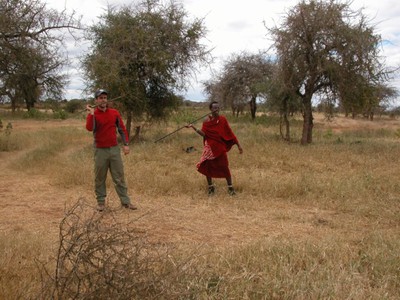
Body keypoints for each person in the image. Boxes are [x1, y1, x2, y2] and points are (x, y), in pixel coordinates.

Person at [86, 89, 137, 211]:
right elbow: (90, 128)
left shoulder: (114, 113)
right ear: (96, 100)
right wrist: (91, 113)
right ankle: (101, 203)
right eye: (100, 98)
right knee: (100, 177)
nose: (103, 100)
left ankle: (125, 202)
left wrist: (125, 144)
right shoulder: (94, 114)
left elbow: (122, 129)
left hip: (114, 149)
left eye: (105, 98)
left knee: (119, 176)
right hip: (100, 150)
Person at [187, 101, 243, 196]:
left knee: (224, 166)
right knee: (207, 166)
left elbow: (230, 132)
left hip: (220, 147)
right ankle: (211, 188)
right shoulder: (206, 121)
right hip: (209, 147)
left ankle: (230, 189)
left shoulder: (223, 119)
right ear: (211, 109)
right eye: (214, 108)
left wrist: (238, 145)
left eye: (218, 108)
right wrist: (193, 127)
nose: (216, 109)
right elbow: (203, 134)